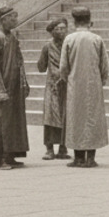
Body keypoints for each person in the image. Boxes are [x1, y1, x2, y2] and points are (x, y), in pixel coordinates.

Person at [58, 6, 109, 167]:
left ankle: (78, 157)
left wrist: (67, 79)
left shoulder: (69, 39)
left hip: (75, 85)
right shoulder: (97, 39)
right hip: (93, 84)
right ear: (89, 22)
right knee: (93, 118)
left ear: (74, 22)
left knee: (76, 119)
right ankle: (91, 158)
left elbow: (63, 67)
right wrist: (101, 80)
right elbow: (105, 65)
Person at [0, 6, 29, 169]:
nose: (15, 21)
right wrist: (0, 90)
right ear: (3, 20)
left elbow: (19, 62)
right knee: (0, 121)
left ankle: (10, 154)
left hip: (14, 87)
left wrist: (24, 82)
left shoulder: (12, 37)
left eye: (16, 17)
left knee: (13, 121)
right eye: (12, 18)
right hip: (1, 88)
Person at [36, 18, 69, 160]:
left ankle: (63, 147)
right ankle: (49, 148)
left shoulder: (69, 45)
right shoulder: (47, 46)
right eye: (58, 29)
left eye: (63, 28)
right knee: (50, 116)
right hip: (52, 86)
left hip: (66, 84)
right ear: (52, 31)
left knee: (65, 115)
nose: (61, 31)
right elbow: (41, 67)